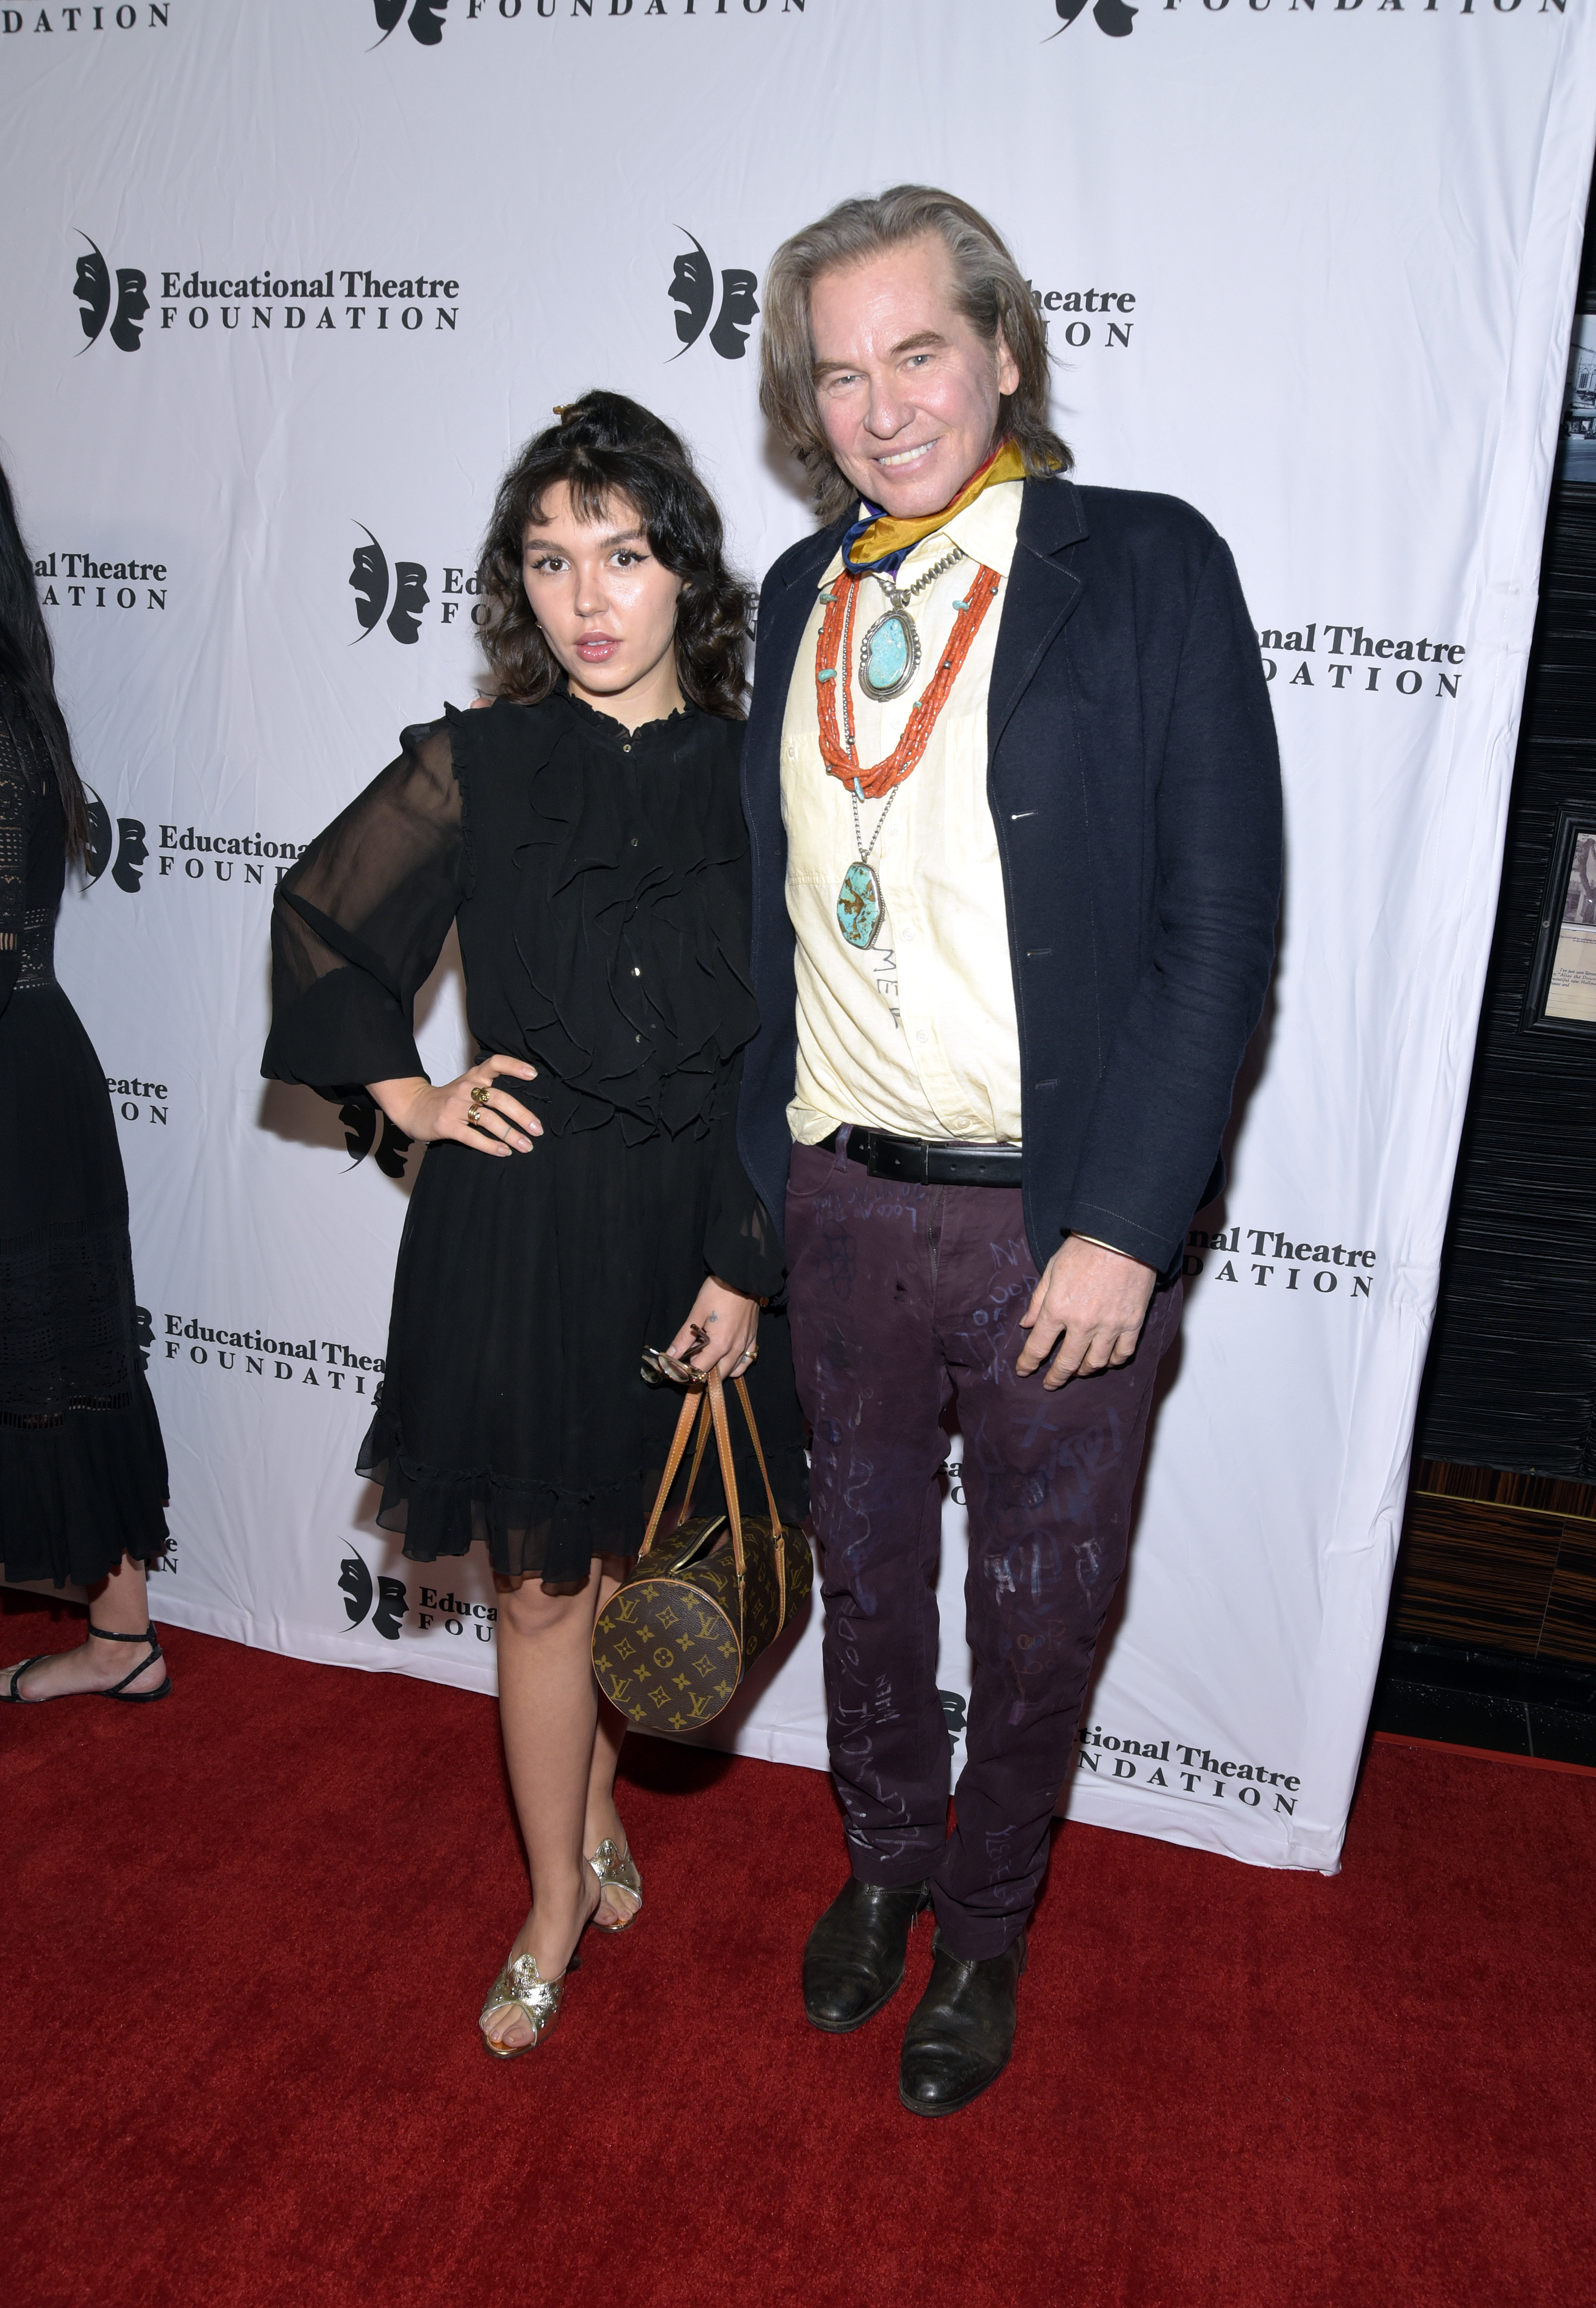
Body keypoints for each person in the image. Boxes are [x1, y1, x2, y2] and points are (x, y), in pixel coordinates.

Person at [740, 188, 1283, 2115]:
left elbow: (1218, 928)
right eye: (839, 374)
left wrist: (1128, 1224)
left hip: (1055, 1226)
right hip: (840, 1197)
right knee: (868, 1579)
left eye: (917, 353)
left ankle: (984, 1927)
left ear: (1005, 350)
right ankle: (886, 1860)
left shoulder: (1145, 566)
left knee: (1041, 1611)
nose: (881, 407)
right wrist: (757, 1202)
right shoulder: (797, 597)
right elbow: (769, 922)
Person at [262, 394, 806, 2058]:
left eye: (621, 555)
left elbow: (801, 1046)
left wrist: (745, 1257)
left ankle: (597, 1798)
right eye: (551, 560)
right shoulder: (480, 764)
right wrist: (411, 1098)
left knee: (650, 1563)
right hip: (522, 1225)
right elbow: (320, 918)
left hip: (696, 1220)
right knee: (542, 1592)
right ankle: (556, 1893)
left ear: (683, 569)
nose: (588, 597)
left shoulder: (766, 771)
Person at [0, 458, 172, 1702]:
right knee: (55, 1353)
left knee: (55, 1356)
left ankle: (121, 1641)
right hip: (31, 1069)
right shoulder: (19, 696)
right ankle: (122, 1640)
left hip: (18, 1079)